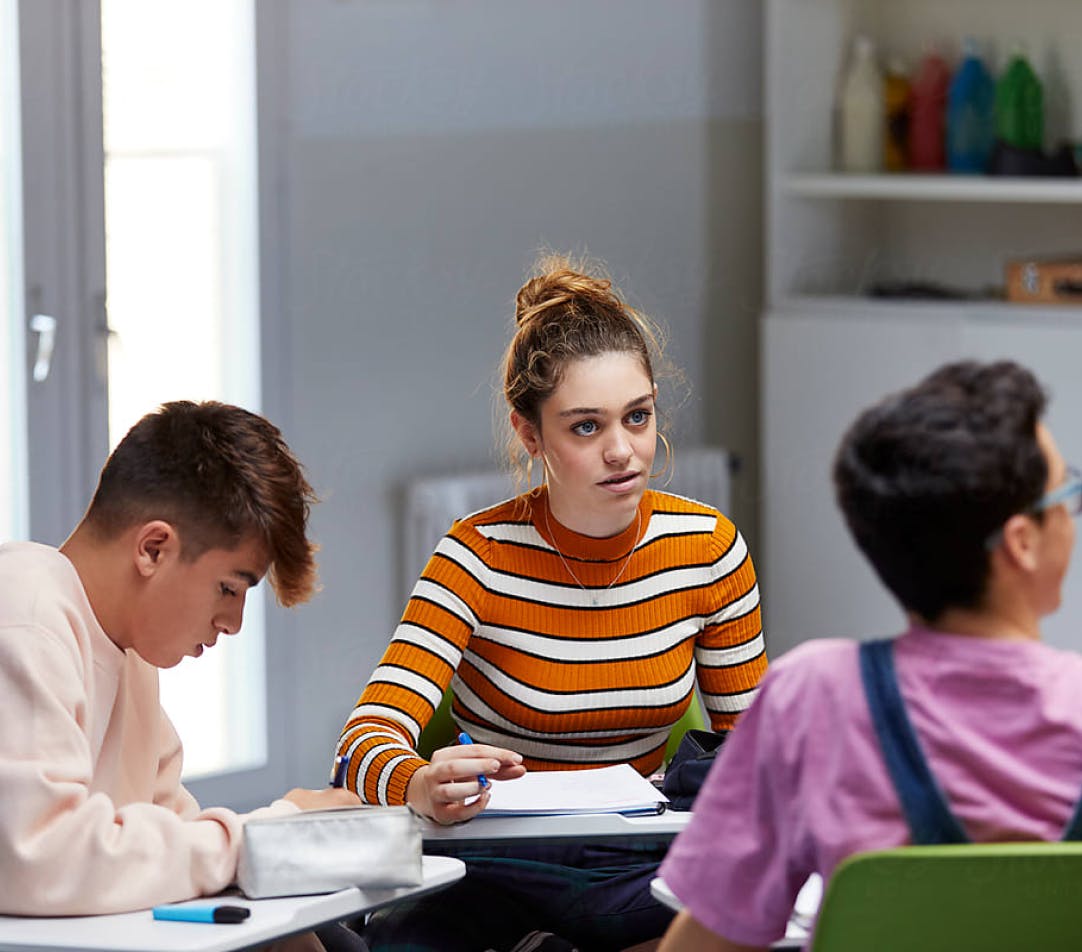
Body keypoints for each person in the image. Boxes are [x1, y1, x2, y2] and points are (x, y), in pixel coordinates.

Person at [335, 255, 767, 951]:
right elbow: (361, 747)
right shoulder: (476, 556)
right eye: (586, 427)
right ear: (530, 434)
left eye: (638, 416)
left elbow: (757, 755)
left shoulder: (707, 549)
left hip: (637, 866)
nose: (624, 451)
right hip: (494, 866)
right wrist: (419, 782)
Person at [657, 360, 1082, 952]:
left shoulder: (813, 696)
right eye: (1068, 494)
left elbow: (711, 939)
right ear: (1022, 543)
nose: (1073, 516)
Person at [0, 400, 359, 918]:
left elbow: (179, 854)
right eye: (228, 588)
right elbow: (39, 860)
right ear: (153, 549)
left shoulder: (130, 656)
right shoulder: (25, 612)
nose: (232, 622)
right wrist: (264, 838)